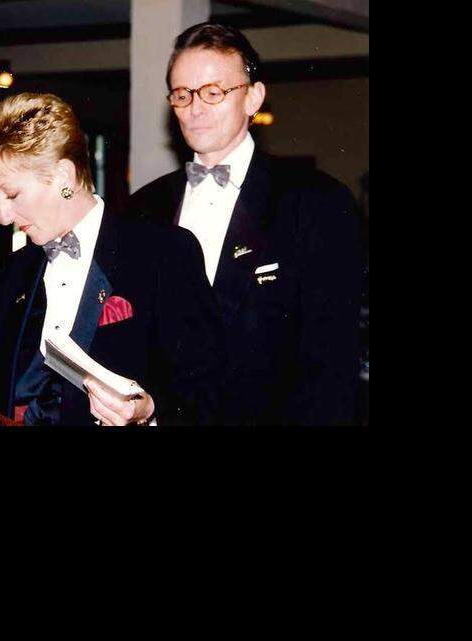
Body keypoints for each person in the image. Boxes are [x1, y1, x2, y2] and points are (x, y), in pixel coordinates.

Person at [127, 22, 363, 425]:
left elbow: (332, 365)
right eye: (182, 95)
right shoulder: (143, 208)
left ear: (253, 97)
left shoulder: (316, 202)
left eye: (213, 92)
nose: (195, 108)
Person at [0, 92, 223, 426]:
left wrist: (149, 412)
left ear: (63, 176)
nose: (3, 216)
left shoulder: (163, 253)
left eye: (12, 194)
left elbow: (209, 392)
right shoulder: (14, 270)